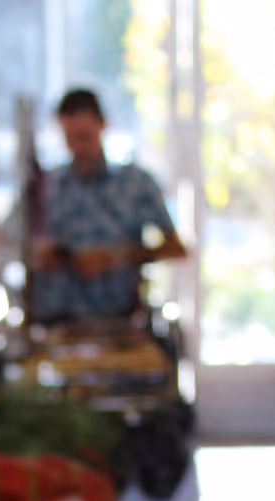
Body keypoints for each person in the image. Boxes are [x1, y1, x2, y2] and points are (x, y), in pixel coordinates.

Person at [30, 88, 188, 324]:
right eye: (69, 139)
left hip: (121, 321)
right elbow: (8, 239)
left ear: (103, 125)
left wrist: (113, 257)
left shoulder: (137, 184)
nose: (77, 148)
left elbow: (176, 248)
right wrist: (43, 253)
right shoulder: (46, 187)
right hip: (57, 321)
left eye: (84, 137)